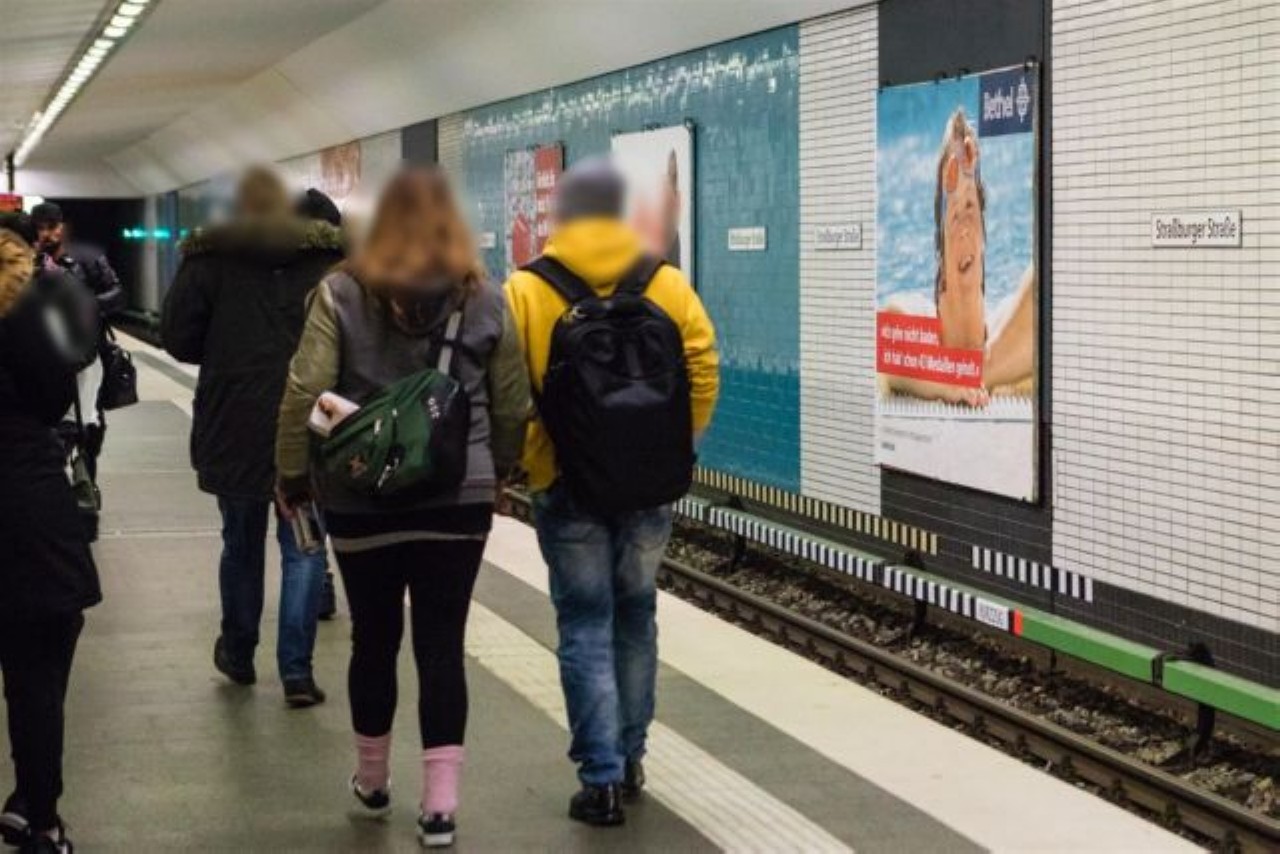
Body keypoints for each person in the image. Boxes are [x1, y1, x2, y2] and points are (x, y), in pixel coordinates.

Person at [275, 166, 529, 848]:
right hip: (457, 497)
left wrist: (293, 473)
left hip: (361, 497)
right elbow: (512, 401)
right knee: (442, 643)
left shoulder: (339, 293)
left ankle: (372, 780)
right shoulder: (485, 299)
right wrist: (499, 471)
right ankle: (440, 807)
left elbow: (304, 391)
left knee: (374, 637)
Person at [504, 157, 719, 825]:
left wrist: (532, 459)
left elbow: (508, 392)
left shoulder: (525, 290)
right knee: (636, 615)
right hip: (649, 486)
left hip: (567, 485)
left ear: (561, 215)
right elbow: (704, 365)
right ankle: (630, 758)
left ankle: (597, 779)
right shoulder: (665, 282)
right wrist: (677, 446)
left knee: (584, 623)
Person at [161, 168, 343, 706]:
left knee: (240, 543)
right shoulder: (329, 263)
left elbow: (177, 338)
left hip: (233, 422)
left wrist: (227, 351)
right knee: (304, 548)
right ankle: (297, 673)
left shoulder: (208, 260)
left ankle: (239, 652)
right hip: (309, 426)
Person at [0, 227, 102, 854]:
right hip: (23, 500)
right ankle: (39, 817)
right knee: (38, 665)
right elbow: (53, 393)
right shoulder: (23, 305)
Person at [881, 108, 1035, 404]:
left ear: (985, 236)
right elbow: (888, 328)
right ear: (939, 245)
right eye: (954, 215)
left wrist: (971, 372)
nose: (964, 228)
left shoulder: (1008, 323)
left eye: (970, 209)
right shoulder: (917, 321)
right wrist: (945, 384)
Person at [30, 202, 125, 521]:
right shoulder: (29, 264)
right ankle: (57, 496)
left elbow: (117, 293)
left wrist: (89, 305)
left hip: (87, 355)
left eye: (51, 227)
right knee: (54, 429)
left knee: (89, 428)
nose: (47, 234)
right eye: (41, 229)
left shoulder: (87, 259)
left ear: (62, 227)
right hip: (45, 359)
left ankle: (85, 488)